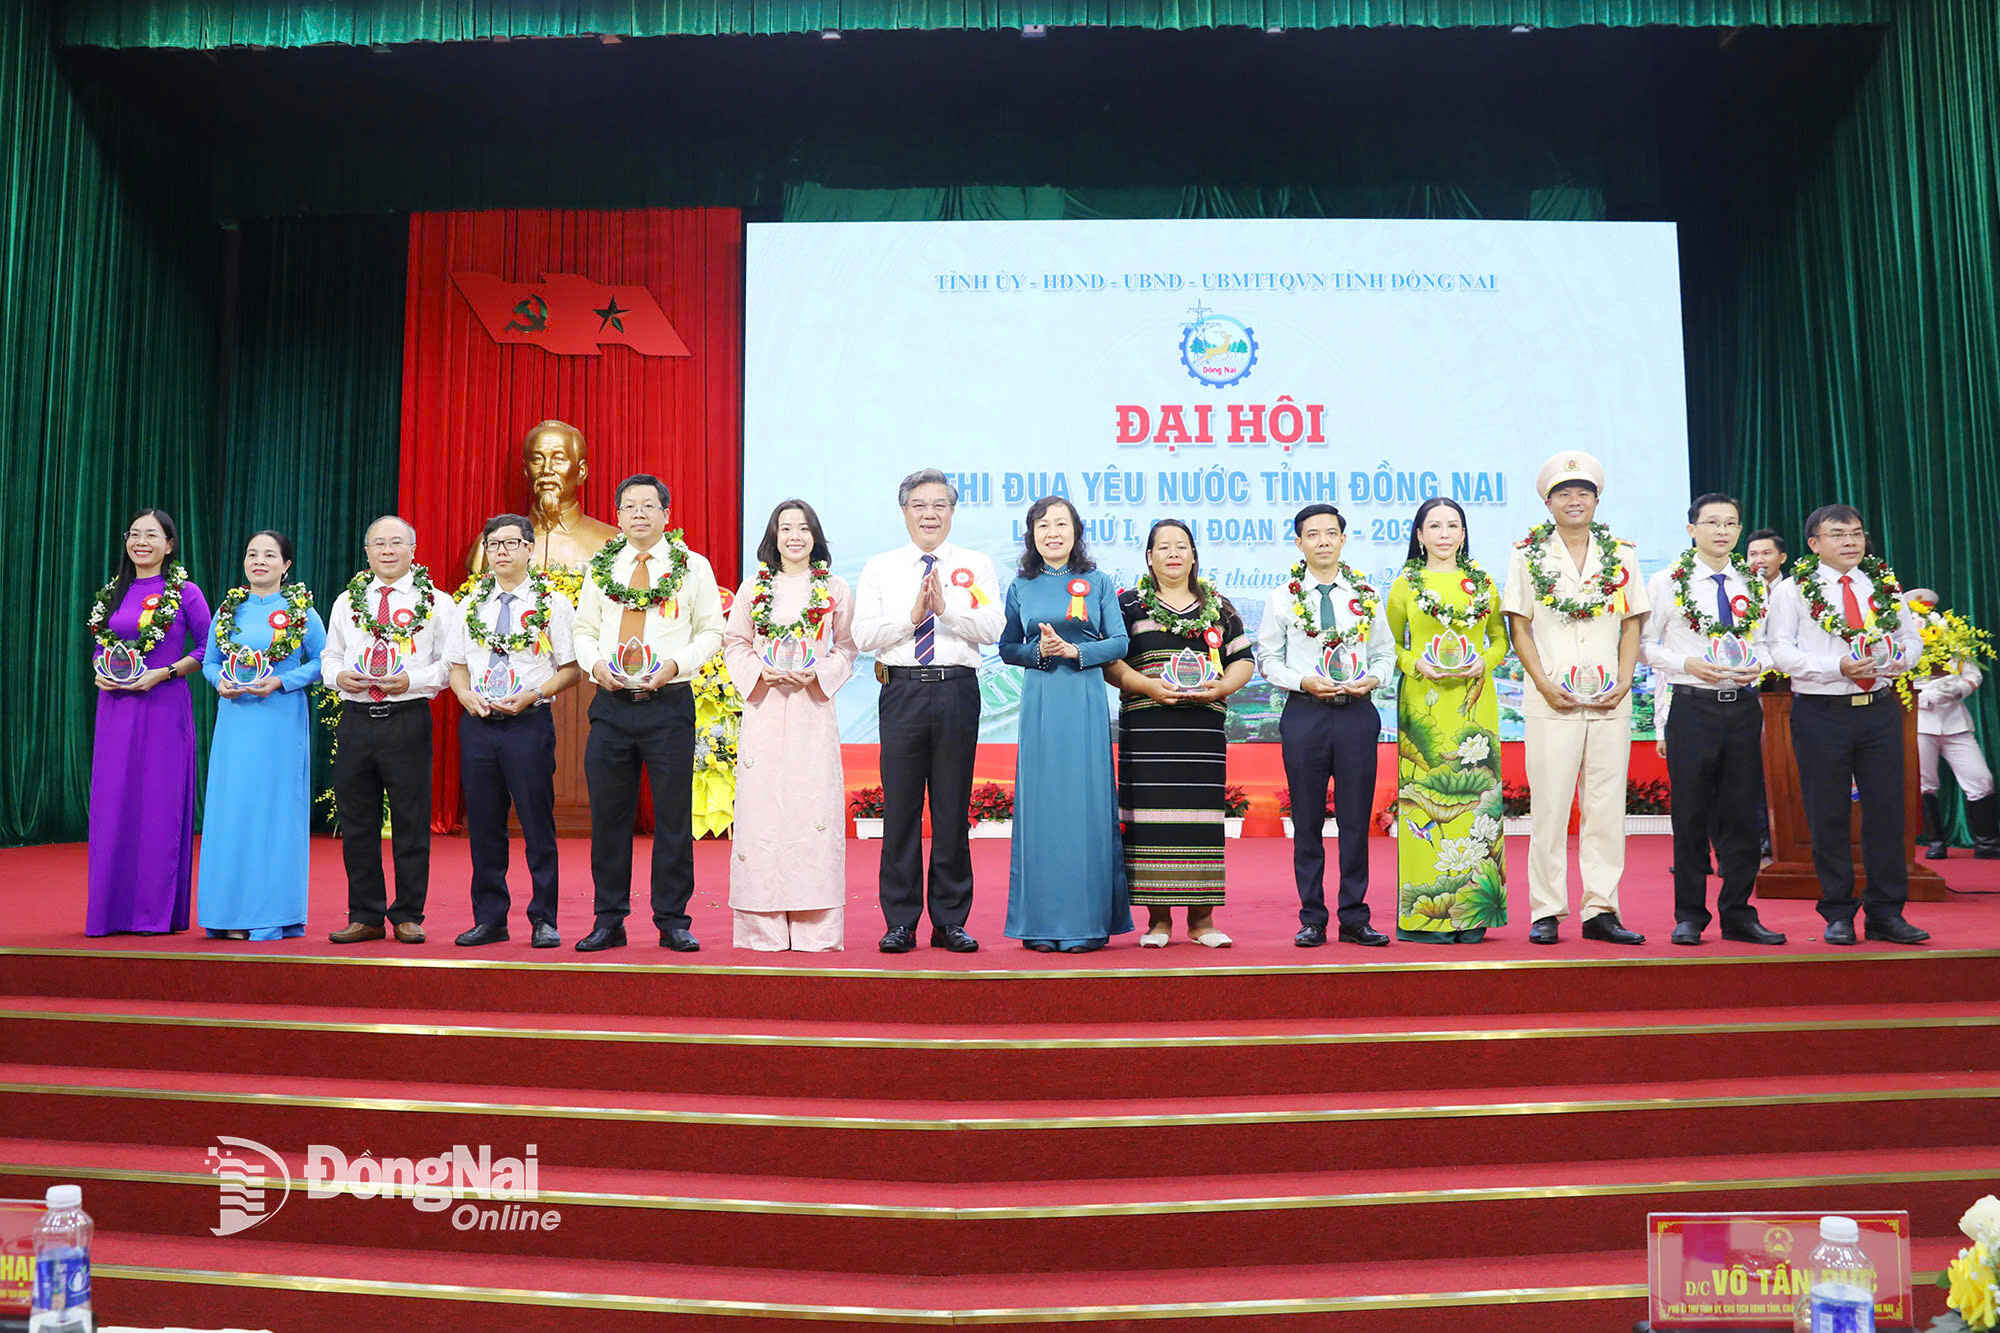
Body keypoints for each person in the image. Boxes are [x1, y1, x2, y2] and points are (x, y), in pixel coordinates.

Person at [571, 474, 726, 953]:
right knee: (609, 818)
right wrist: (595, 664)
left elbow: (711, 632)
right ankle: (608, 918)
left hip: (669, 705)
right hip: (612, 707)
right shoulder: (601, 568)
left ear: (666, 515)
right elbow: (583, 628)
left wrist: (675, 665)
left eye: (648, 506)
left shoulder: (693, 567)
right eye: (629, 506)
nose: (638, 514)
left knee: (673, 818)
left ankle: (673, 919)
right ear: (618, 517)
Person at [852, 468, 1004, 954]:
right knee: (900, 811)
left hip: (957, 690)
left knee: (952, 810)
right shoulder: (881, 567)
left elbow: (994, 627)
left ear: (952, 512)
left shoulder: (975, 565)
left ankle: (950, 920)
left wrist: (946, 611)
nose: (930, 514)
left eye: (940, 504)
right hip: (902, 690)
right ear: (904, 512)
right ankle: (900, 920)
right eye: (920, 505)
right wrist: (912, 617)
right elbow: (863, 637)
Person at [1502, 451, 1649, 946]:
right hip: (1552, 701)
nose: (1574, 500)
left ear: (1597, 499)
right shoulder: (1527, 555)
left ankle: (1601, 908)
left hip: (1611, 699)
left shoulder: (1623, 554)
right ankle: (1546, 909)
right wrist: (1543, 682)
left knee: (1606, 807)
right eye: (1564, 493)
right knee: (1550, 806)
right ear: (1548, 501)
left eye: (1583, 492)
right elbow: (1518, 624)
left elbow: (1632, 622)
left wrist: (1626, 679)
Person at [1767, 504, 1929, 945]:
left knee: (1887, 811)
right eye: (1838, 534)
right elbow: (1780, 650)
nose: (1851, 542)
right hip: (1821, 712)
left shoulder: (1882, 582)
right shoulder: (1792, 590)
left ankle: (1886, 912)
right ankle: (1838, 912)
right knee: (1829, 814)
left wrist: (1897, 659)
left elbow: (1911, 641)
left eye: (1857, 533)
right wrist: (1835, 665)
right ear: (1815, 543)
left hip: (1878, 709)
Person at [1640, 494, 1785, 946]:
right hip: (1692, 706)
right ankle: (1689, 915)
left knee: (1742, 815)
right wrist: (1687, 664)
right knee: (1691, 814)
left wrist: (1756, 665)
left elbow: (1768, 645)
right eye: (1712, 522)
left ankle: (1739, 913)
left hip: (1741, 706)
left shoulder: (1753, 583)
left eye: (1731, 523)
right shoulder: (1668, 581)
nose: (1722, 531)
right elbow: (1645, 644)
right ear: (1691, 530)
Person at [1103, 520, 1255, 947]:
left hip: (1201, 734)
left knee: (1200, 821)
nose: (1173, 553)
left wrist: (1223, 686)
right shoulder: (1128, 604)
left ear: (1193, 555)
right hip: (1148, 728)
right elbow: (1113, 663)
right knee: (1152, 821)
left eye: (1181, 546)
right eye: (1163, 547)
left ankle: (1203, 921)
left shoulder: (1219, 606)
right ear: (1149, 557)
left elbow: (1243, 659)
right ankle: (1158, 921)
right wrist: (1148, 685)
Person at [995, 497, 1131, 952]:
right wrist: (1039, 653)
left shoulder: (1098, 582)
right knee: (1043, 808)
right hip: (1040, 701)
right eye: (1042, 524)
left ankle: (1087, 923)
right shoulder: (1021, 586)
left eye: (1061, 524)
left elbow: (1119, 641)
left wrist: (1076, 652)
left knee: (1085, 804)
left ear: (1076, 531)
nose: (1052, 532)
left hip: (1085, 697)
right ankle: (1039, 924)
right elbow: (1008, 647)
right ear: (1031, 533)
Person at [722, 500, 858, 951]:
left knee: (810, 811)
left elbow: (847, 648)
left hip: (811, 711)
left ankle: (815, 929)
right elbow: (735, 643)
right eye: (785, 528)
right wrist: (761, 672)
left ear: (815, 536)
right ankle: (762, 929)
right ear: (773, 536)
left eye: (803, 528)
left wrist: (817, 674)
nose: (794, 536)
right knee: (762, 815)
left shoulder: (835, 588)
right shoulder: (753, 587)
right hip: (764, 711)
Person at [1257, 503, 1394, 948]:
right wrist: (1302, 681)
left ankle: (1355, 916)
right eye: (1312, 535)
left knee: (1356, 821)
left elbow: (1385, 655)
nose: (1322, 541)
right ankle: (1312, 917)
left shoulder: (1366, 595)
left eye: (1330, 533)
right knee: (1308, 819)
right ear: (1298, 543)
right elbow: (1267, 659)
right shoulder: (1281, 597)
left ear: (1342, 539)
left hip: (1356, 713)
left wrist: (1373, 679)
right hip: (1305, 712)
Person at [445, 514, 582, 949]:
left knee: (537, 823)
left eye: (509, 543)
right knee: (484, 826)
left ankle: (544, 918)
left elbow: (572, 669)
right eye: (493, 544)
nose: (500, 551)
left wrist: (534, 694)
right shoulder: (470, 605)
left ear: (528, 548)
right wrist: (465, 697)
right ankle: (490, 918)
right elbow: (457, 666)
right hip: (479, 723)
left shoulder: (553, 604)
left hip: (528, 722)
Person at [322, 515, 460, 944]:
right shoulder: (348, 601)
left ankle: (408, 913)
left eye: (396, 542)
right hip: (357, 720)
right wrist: (339, 677)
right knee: (357, 821)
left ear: (412, 550)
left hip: (407, 717)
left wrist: (412, 682)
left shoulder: (437, 603)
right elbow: (331, 655)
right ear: (367, 552)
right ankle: (365, 914)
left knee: (411, 820)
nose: (387, 550)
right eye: (378, 543)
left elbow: (450, 664)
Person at [1384, 498, 1509, 944]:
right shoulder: (1405, 585)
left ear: (1463, 533)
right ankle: (1424, 918)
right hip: (1424, 705)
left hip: (1475, 706)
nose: (1442, 533)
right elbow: (1390, 645)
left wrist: (1484, 664)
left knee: (1476, 809)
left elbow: (1499, 639)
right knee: (1426, 809)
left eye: (1451, 525)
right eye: (1433, 525)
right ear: (1418, 535)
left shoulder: (1482, 583)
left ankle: (1472, 916)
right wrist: (1417, 664)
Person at [86, 510, 213, 936]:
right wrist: (99, 670)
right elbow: (103, 644)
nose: (141, 541)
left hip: (163, 708)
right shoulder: (112, 593)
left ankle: (154, 914)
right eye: (134, 534)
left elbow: (208, 650)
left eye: (151, 535)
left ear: (170, 545)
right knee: (114, 804)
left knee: (159, 806)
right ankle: (110, 911)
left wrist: (166, 672)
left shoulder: (186, 592)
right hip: (115, 711)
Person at [197, 531, 326, 940]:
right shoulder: (229, 608)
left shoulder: (301, 610)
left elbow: (326, 660)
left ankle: (272, 914)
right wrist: (220, 681)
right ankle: (227, 915)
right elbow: (209, 660)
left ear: (286, 565)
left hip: (279, 721)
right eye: (252, 554)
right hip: (235, 720)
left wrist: (283, 682)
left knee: (273, 814)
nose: (259, 561)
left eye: (269, 555)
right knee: (232, 811)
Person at [1902, 587, 2000, 859]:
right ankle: (1935, 841)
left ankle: (1987, 842)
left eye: (1929, 612)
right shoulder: (1904, 644)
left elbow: (1973, 675)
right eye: (1920, 613)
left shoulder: (1955, 641)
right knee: (1925, 782)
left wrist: (1956, 690)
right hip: (1920, 721)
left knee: (1981, 779)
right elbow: (1895, 682)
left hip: (1955, 720)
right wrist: (1924, 697)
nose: (1926, 617)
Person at [464, 419, 620, 576]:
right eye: (537, 459)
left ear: (581, 472)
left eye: (559, 459)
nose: (547, 470)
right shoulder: (491, 544)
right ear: (526, 471)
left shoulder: (612, 543)